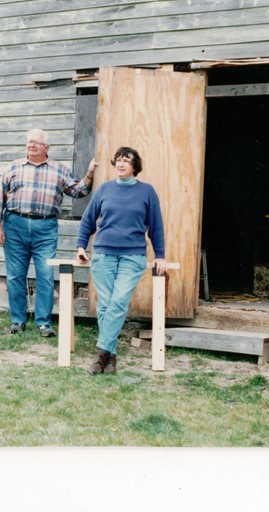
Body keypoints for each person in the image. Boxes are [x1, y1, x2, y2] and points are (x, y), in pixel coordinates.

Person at [0, 129, 96, 337]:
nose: (31, 145)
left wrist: (90, 174)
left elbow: (78, 191)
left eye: (36, 143)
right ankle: (17, 321)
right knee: (15, 275)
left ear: (46, 148)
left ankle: (43, 322)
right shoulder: (13, 167)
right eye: (29, 142)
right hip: (15, 225)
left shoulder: (59, 170)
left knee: (46, 275)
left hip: (45, 228)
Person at [76, 146, 166, 375]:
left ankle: (101, 353)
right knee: (105, 305)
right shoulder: (105, 189)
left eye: (127, 160)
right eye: (118, 160)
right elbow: (88, 220)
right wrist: (80, 246)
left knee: (118, 302)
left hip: (132, 256)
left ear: (135, 166)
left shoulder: (147, 191)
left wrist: (160, 256)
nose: (121, 164)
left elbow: (156, 226)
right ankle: (111, 357)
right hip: (104, 254)